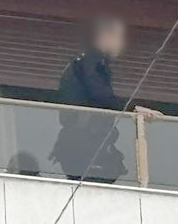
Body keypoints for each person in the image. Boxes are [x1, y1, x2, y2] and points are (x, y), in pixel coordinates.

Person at [51, 15, 151, 181]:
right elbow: (101, 96)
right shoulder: (92, 60)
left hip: (77, 141)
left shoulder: (85, 61)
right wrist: (133, 108)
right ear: (105, 36)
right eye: (120, 37)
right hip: (84, 142)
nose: (122, 44)